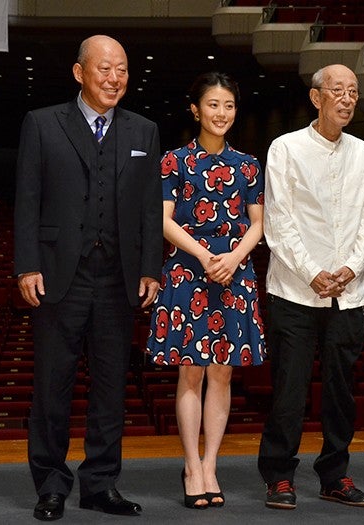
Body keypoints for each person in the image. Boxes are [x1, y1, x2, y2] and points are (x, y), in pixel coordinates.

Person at [14, 35, 162, 521]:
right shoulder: (42, 123)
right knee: (52, 387)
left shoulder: (144, 131)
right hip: (59, 276)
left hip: (119, 279)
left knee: (110, 389)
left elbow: (147, 209)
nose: (114, 78)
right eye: (104, 69)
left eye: (122, 69)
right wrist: (27, 264)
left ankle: (101, 484)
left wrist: (149, 270)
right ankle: (51, 484)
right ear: (80, 73)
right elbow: (27, 201)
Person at [257, 64, 364, 510]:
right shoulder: (285, 149)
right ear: (316, 98)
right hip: (294, 290)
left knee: (340, 391)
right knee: (289, 390)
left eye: (353, 92)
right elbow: (279, 220)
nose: (347, 99)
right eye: (338, 91)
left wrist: (349, 269)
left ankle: (335, 474)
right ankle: (278, 475)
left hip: (350, 294)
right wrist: (312, 272)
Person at [146, 72, 266, 510]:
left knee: (223, 372)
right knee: (190, 370)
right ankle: (191, 464)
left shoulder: (249, 164)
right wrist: (203, 255)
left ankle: (211, 463)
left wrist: (233, 258)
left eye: (229, 105)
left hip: (234, 274)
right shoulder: (174, 161)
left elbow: (258, 224)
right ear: (196, 109)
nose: (221, 113)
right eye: (213, 105)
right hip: (188, 270)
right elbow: (163, 219)